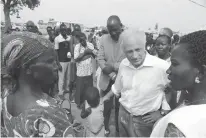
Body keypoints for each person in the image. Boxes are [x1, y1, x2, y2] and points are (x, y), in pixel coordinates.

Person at [1, 31, 84, 137]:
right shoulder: (48, 113)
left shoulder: (7, 93)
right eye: (50, 61)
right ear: (27, 68)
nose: (57, 66)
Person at [103, 29, 171, 137]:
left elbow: (173, 89)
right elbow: (118, 87)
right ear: (124, 52)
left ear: (144, 47)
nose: (134, 56)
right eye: (129, 52)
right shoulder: (124, 64)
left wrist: (163, 112)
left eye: (138, 50)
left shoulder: (161, 66)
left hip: (145, 121)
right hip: (123, 114)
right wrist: (104, 98)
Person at [151, 30, 206, 137]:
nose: (168, 70)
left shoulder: (178, 124)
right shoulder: (189, 108)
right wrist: (174, 104)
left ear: (201, 73)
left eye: (174, 64)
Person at [97, 15, 125, 136]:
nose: (113, 33)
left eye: (115, 29)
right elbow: (100, 58)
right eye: (110, 30)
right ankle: (106, 128)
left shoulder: (128, 39)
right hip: (106, 79)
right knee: (105, 107)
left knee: (120, 109)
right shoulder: (103, 39)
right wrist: (112, 75)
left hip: (123, 80)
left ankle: (119, 130)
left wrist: (113, 66)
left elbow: (128, 61)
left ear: (121, 26)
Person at [74, 32, 97, 109]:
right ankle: (79, 102)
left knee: (88, 88)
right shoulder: (77, 47)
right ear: (79, 41)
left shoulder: (90, 45)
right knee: (80, 88)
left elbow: (95, 55)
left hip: (89, 70)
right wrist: (85, 53)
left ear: (86, 39)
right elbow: (76, 59)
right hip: (81, 71)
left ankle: (86, 103)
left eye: (84, 40)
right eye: (81, 41)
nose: (83, 42)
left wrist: (90, 53)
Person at [54, 23, 73, 97]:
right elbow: (56, 52)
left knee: (68, 77)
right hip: (61, 61)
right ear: (60, 30)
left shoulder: (69, 38)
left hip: (68, 60)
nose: (64, 31)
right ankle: (61, 92)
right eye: (62, 30)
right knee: (61, 78)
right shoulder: (57, 39)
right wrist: (58, 63)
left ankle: (67, 89)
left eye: (65, 29)